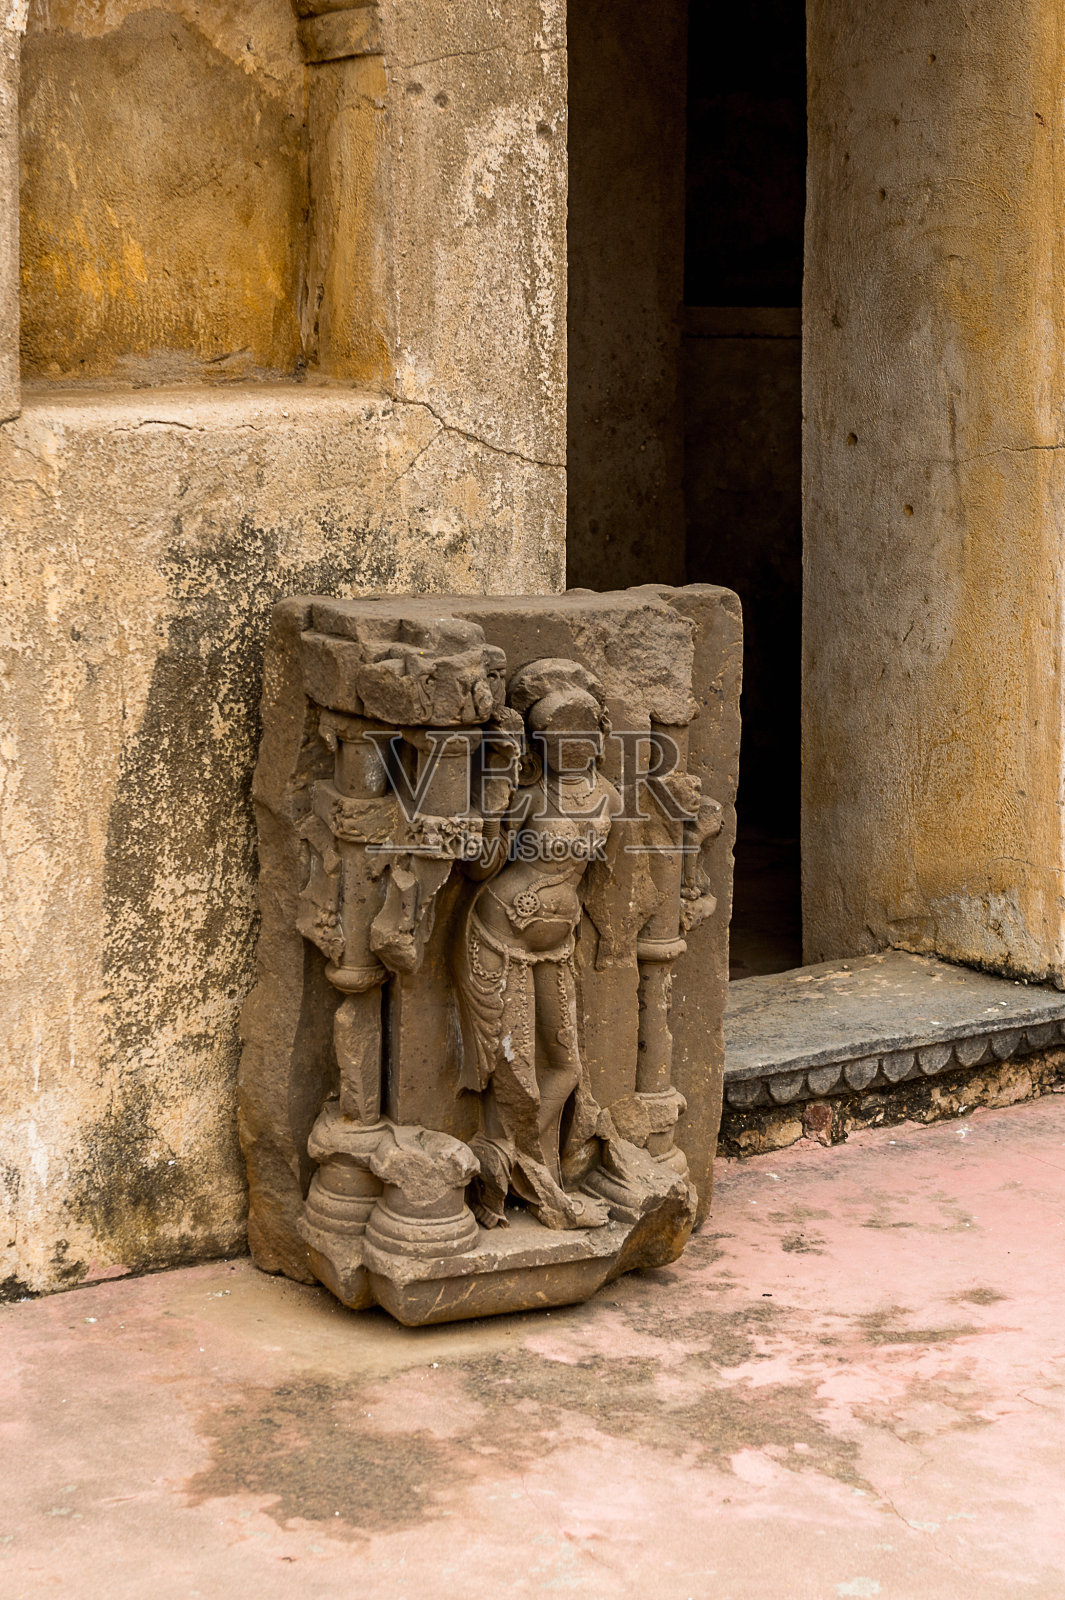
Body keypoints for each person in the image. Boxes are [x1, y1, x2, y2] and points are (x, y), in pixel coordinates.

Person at [455, 659, 622, 1230]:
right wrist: (492, 811)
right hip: (500, 934)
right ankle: (531, 1176)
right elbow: (481, 870)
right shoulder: (524, 795)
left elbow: (593, 875)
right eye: (555, 737)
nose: (570, 748)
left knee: (567, 1066)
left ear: (599, 738)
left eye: (581, 735)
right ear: (539, 744)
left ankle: (510, 1158)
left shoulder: (607, 796)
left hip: (556, 943)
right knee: (517, 1068)